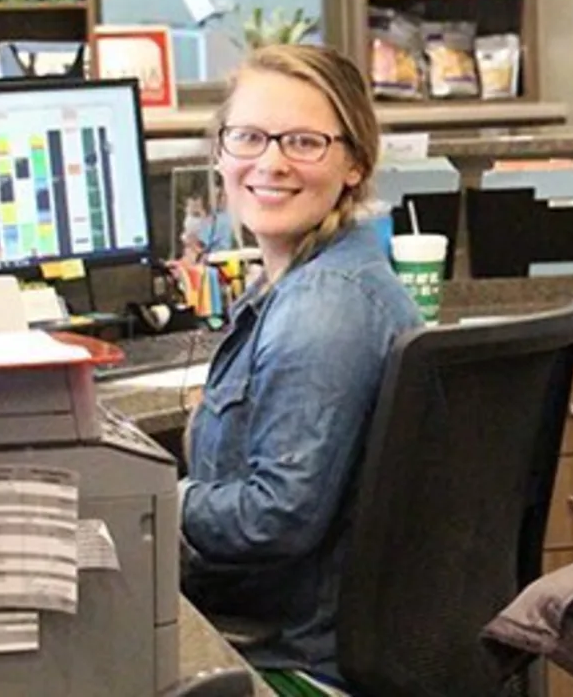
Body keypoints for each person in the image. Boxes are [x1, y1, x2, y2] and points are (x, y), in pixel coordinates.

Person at [179, 44, 421, 692]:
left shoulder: (324, 307)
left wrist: (152, 506)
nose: (271, 163)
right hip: (284, 635)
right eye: (249, 137)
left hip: (286, 659)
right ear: (221, 153)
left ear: (354, 165)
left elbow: (273, 517)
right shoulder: (302, 281)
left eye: (305, 142)